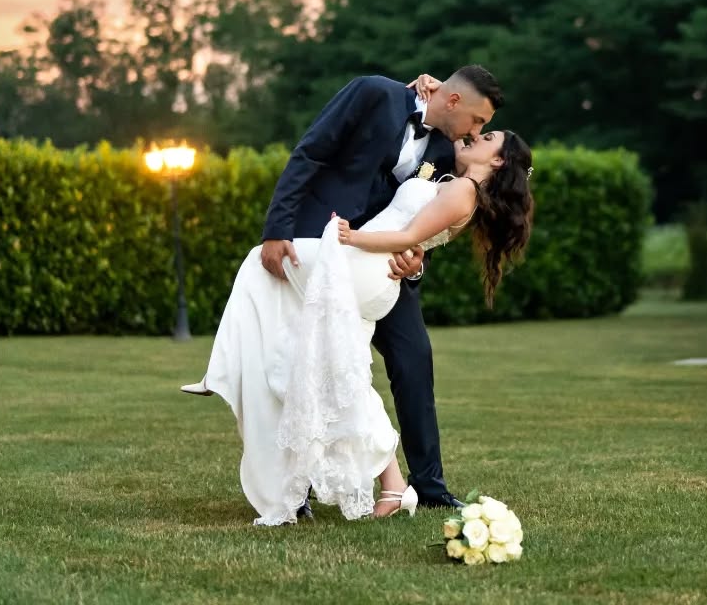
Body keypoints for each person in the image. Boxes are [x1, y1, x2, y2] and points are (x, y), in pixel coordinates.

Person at [181, 67, 531, 523]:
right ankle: (306, 484)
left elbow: (432, 225)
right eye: (477, 121)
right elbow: (310, 152)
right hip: (328, 248)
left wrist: (416, 263)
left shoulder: (451, 152)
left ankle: (428, 486)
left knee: (409, 362)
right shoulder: (374, 95)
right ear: (452, 101)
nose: (475, 132)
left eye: (484, 129)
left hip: (375, 267)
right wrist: (277, 229)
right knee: (311, 360)